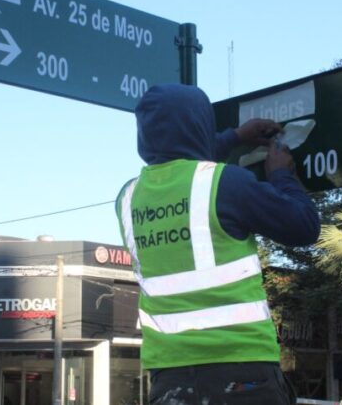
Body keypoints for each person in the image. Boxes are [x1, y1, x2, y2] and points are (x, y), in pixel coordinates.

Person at [115, 84, 320, 405]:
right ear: (200, 124)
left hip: (168, 377)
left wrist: (236, 137)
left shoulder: (127, 197)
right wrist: (281, 174)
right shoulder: (224, 182)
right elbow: (304, 227)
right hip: (241, 369)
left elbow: (179, 160)